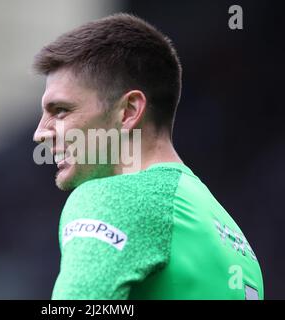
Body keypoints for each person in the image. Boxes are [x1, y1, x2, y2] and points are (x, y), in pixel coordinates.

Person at [32, 13, 264, 299]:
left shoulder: (112, 199)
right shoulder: (232, 236)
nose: (40, 133)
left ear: (129, 111)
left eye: (61, 110)